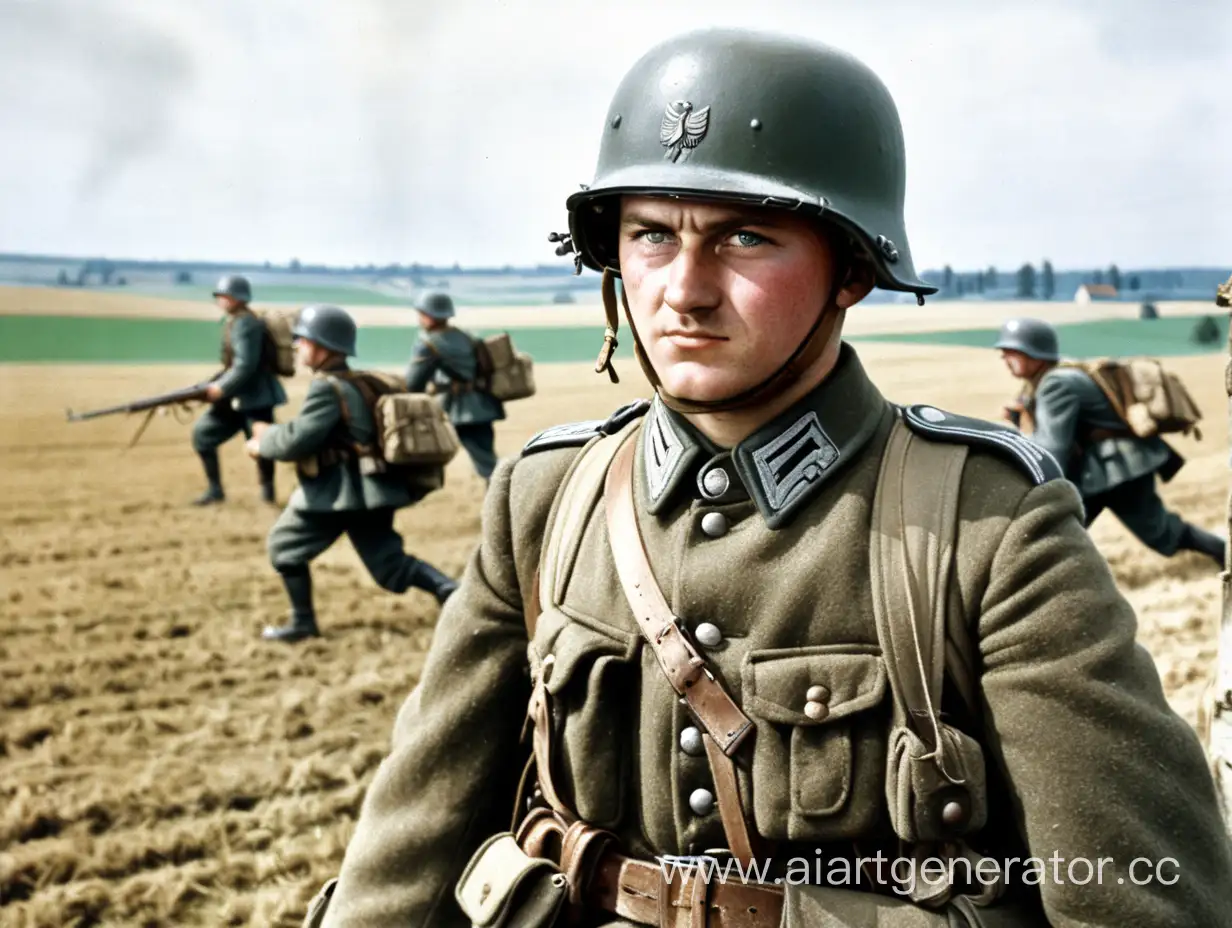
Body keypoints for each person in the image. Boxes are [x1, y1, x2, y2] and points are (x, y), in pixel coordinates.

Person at [302, 30, 1232, 927]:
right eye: (652, 236)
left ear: (853, 268)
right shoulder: (549, 499)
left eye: (745, 239)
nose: (685, 289)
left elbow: (1135, 892)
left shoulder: (987, 527)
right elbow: (411, 836)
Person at [248, 304, 458, 643]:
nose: (298, 346)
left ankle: (303, 623)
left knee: (283, 548)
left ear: (322, 346)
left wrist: (262, 441)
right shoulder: (364, 381)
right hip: (372, 491)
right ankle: (450, 590)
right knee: (389, 565)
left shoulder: (326, 388)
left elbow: (297, 440)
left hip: (337, 493)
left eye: (303, 340)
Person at [996, 316, 1225, 566]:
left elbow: (1052, 452)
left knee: (1160, 533)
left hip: (1117, 468)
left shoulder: (1055, 385)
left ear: (1034, 353)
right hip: (1102, 467)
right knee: (1059, 532)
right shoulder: (1056, 376)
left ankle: (1225, 553)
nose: (1004, 358)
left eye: (1011, 352)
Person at [192, 273, 288, 506]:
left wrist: (221, 388)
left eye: (223, 296)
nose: (219, 300)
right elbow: (233, 365)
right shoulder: (235, 321)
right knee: (202, 436)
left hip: (256, 398)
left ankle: (267, 497)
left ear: (235, 298)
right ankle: (215, 491)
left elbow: (245, 365)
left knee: (262, 448)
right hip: (235, 397)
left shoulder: (245, 323)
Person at [405, 291, 505, 483]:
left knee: (427, 462)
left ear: (429, 315)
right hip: (481, 407)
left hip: (452, 410)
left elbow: (412, 384)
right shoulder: (467, 337)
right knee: (488, 464)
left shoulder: (427, 344)